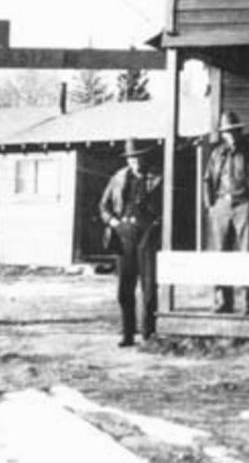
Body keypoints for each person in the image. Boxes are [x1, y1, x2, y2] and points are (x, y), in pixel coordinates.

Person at [202, 111, 249, 315]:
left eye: (234, 131)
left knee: (247, 254)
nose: (230, 135)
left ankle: (248, 304)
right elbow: (207, 180)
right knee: (220, 255)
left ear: (239, 131)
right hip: (222, 206)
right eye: (226, 132)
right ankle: (222, 302)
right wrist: (210, 205)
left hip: (245, 206)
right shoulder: (217, 154)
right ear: (223, 134)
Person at [99, 138, 162, 347]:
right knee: (125, 289)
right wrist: (114, 222)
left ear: (145, 157)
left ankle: (148, 333)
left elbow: (169, 207)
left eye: (139, 157)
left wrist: (157, 225)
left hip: (147, 236)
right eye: (132, 158)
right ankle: (127, 333)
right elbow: (103, 206)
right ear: (128, 160)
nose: (136, 162)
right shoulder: (118, 178)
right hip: (124, 236)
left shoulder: (157, 178)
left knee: (149, 288)